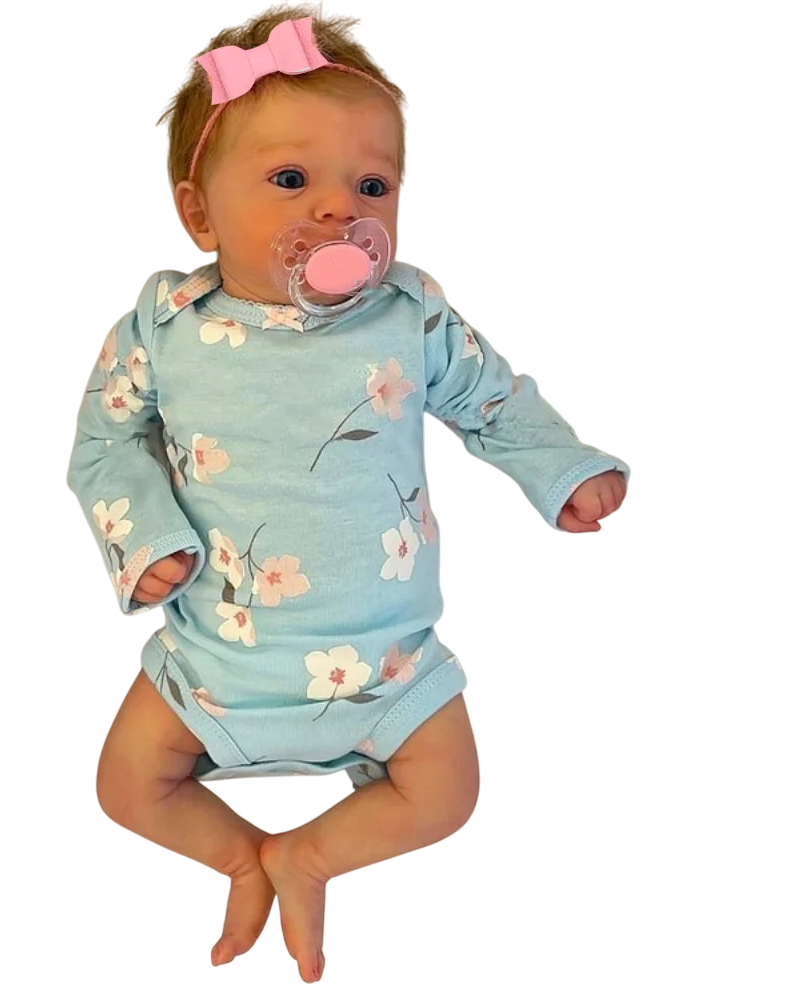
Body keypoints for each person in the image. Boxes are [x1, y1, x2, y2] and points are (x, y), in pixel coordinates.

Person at [66, 4, 629, 983]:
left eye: (371, 185)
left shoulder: (410, 315)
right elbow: (103, 442)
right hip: (217, 660)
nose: (339, 209)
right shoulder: (163, 327)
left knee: (448, 793)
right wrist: (145, 538)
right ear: (200, 213)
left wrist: (562, 465)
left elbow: (492, 399)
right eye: (291, 180)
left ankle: (309, 856)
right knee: (125, 786)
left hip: (387, 666)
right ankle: (242, 857)